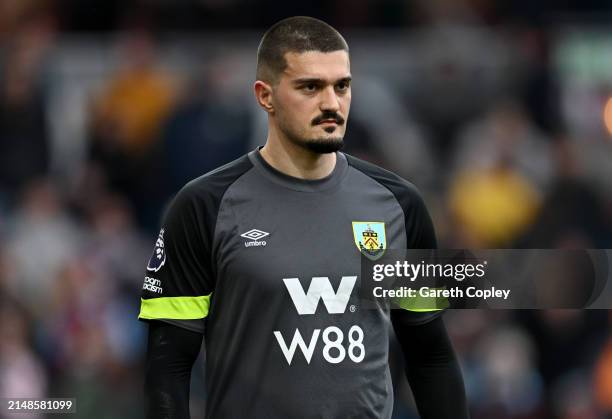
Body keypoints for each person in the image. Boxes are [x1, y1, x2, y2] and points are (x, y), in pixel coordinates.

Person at [139, 16, 469, 419]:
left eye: (341, 86)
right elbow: (167, 366)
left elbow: (430, 352)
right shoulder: (204, 206)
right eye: (310, 87)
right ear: (266, 96)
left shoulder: (399, 205)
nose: (331, 103)